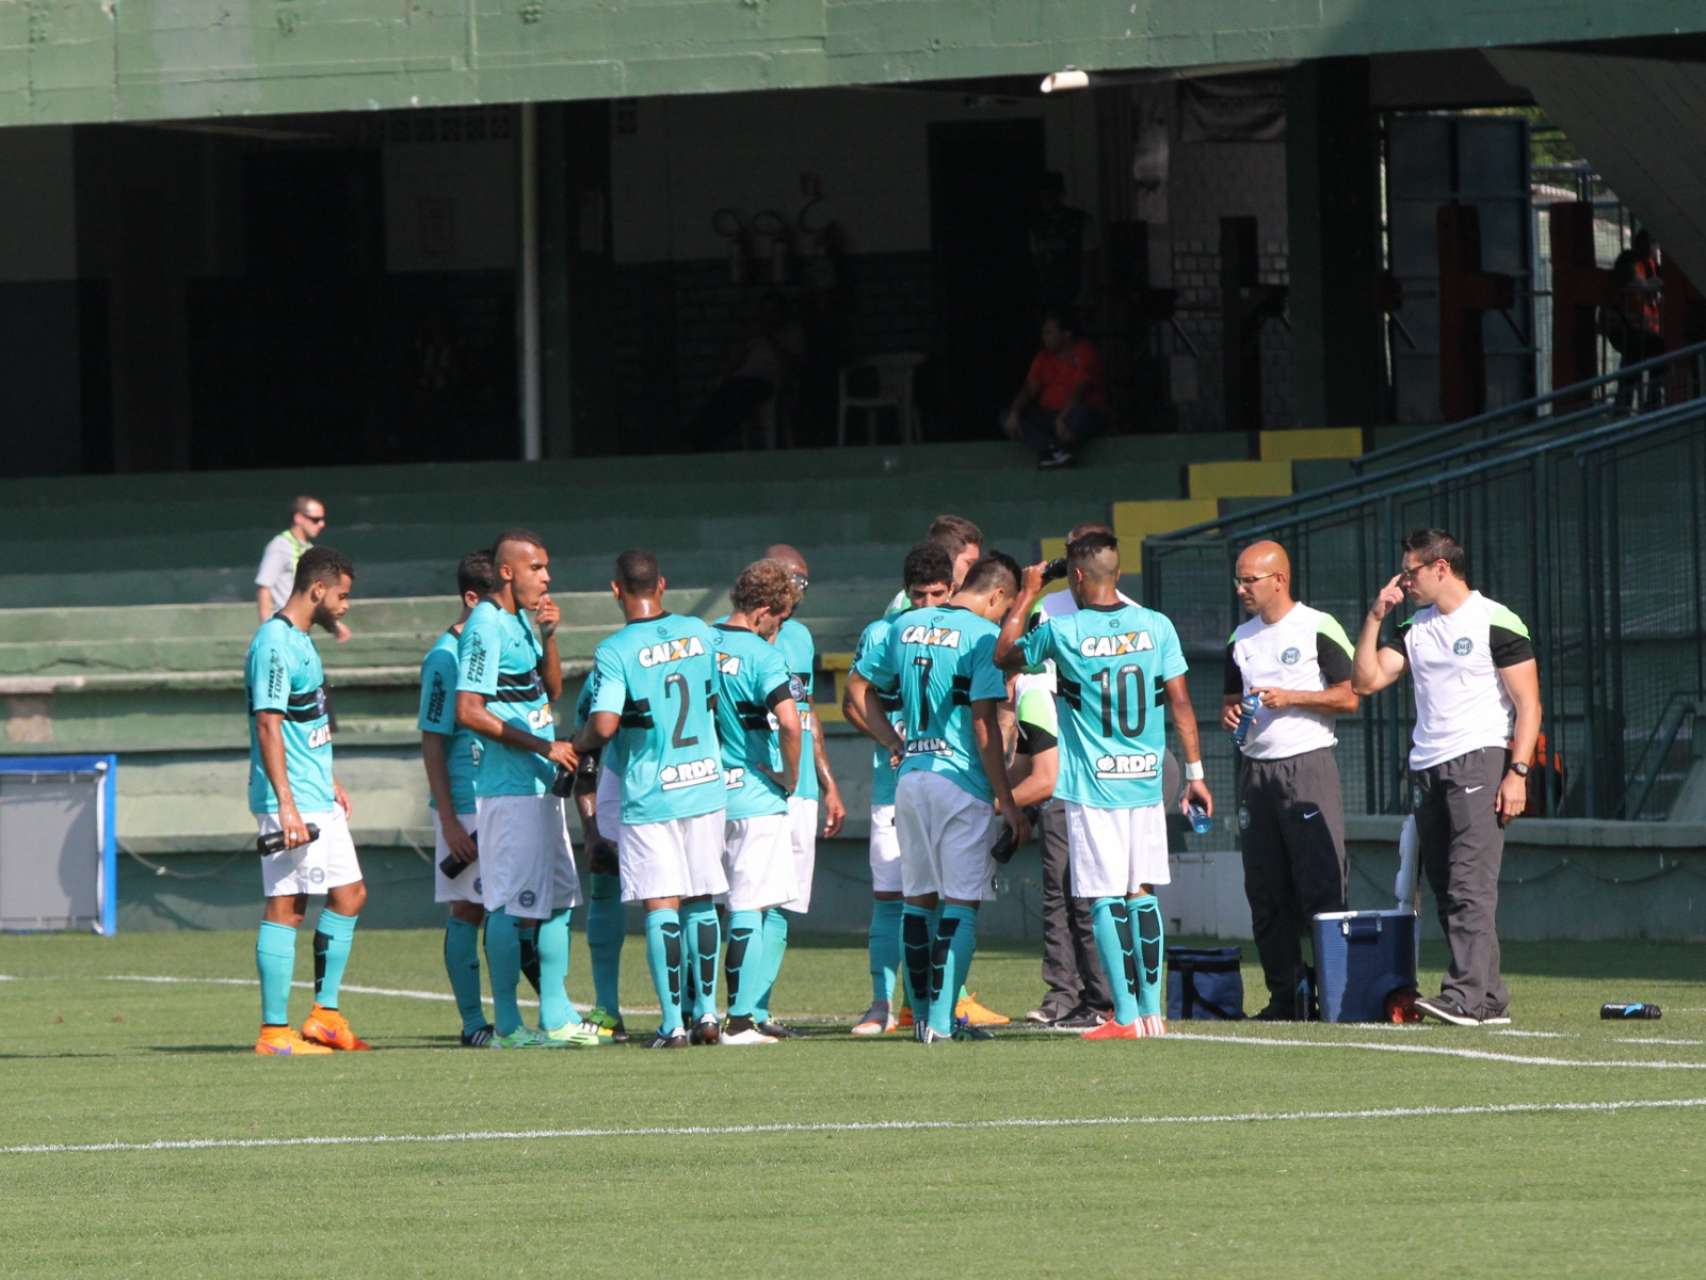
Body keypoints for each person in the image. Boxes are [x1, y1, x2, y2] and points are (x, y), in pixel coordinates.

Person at [996, 531, 1211, 1040]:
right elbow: (1180, 701)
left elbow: (1003, 655)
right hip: (1145, 779)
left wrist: (1027, 592)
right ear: (1118, 573)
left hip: (1094, 785)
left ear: (1074, 577)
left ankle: (1126, 1015)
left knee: (1103, 899)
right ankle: (1152, 1013)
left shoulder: (1064, 630)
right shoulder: (1156, 625)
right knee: (1142, 893)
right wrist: (1197, 774)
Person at [1352, 529, 1541, 1027]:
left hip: (1480, 759)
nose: (1404, 580)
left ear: (1440, 568)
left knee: (1469, 884)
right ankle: (1490, 997)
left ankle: (1464, 995)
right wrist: (1376, 616)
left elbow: (1529, 705)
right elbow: (1365, 680)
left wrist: (1517, 772)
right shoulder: (1413, 626)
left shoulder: (1495, 620)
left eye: (1410, 571)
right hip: (1428, 767)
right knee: (1444, 883)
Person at [855, 554, 1029, 1044]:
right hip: (961, 781)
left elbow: (857, 689)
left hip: (911, 777)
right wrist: (1005, 798)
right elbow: (982, 723)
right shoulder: (981, 637)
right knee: (961, 904)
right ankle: (941, 1022)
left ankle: (921, 1021)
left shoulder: (903, 625)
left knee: (917, 901)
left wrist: (892, 740)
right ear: (997, 596)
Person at [574, 549, 727, 1050]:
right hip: (705, 783)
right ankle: (706, 1014)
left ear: (617, 590)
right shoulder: (701, 632)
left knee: (661, 904)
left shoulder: (615, 650)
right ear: (662, 583)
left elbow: (604, 725)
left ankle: (672, 1025)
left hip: (650, 790)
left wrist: (575, 744)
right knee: (702, 898)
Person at [454, 530, 601, 1050]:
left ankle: (557, 1015)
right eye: (538, 567)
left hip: (541, 787)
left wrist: (550, 636)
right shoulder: (485, 627)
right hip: (508, 789)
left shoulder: (521, 621)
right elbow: (468, 710)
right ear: (509, 572)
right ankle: (510, 1025)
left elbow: (552, 690)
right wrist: (542, 747)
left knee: (559, 900)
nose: (548, 576)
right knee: (506, 905)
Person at [1222, 540, 1358, 1020]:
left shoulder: (1318, 626)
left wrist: (1292, 697)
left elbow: (1349, 696)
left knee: (1320, 884)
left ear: (1279, 579)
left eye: (1249, 580)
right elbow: (1229, 700)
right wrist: (1231, 711)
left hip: (1307, 765)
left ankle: (1336, 994)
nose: (1241, 589)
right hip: (1254, 772)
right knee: (1264, 889)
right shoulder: (1240, 638)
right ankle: (1284, 995)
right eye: (1237, 580)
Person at [246, 545, 368, 1055]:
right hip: (292, 799)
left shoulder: (303, 642)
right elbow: (268, 722)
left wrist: (332, 778)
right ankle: (274, 1032)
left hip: (318, 794)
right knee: (288, 906)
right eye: (341, 596)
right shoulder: (274, 643)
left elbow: (306, 722)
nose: (344, 605)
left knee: (350, 894)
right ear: (317, 590)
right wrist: (286, 806)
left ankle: (324, 1015)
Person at [841, 541, 955, 1035]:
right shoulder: (881, 634)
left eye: (936, 594)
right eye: (918, 595)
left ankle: (927, 1002)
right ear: (905, 594)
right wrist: (891, 739)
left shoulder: (965, 633)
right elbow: (855, 698)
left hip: (955, 782)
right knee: (891, 896)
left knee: (949, 898)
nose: (927, 605)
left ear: (952, 590)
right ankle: (881, 1005)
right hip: (895, 788)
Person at [749, 544, 846, 1038]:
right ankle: (730, 1007)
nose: (798, 590)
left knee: (785, 901)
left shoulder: (802, 638)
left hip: (800, 788)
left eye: (804, 582)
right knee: (746, 902)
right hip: (753, 785)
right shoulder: (739, 638)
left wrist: (828, 783)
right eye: (790, 579)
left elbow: (805, 718)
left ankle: (758, 1010)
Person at [711, 559, 807, 1045]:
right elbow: (790, 723)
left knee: (702, 907)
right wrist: (790, 777)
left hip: (703, 795)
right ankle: (742, 1020)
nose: (780, 629)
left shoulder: (698, 641)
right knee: (751, 906)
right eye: (781, 619)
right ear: (764, 610)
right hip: (753, 794)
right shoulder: (763, 656)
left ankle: (701, 1015)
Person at [419, 550, 499, 1047]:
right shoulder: (444, 658)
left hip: (504, 794)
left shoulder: (496, 644)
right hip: (467, 802)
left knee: (519, 908)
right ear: (472, 599)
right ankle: (472, 1022)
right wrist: (449, 821)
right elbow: (432, 738)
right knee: (470, 909)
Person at [1010, 660, 1111, 1029]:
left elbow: (1044, 780)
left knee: (1075, 899)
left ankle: (1091, 998)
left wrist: (994, 805)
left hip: (1074, 794)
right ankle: (1082, 996)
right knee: (1074, 897)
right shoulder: (1041, 686)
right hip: (1097, 789)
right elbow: (1022, 765)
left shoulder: (1032, 690)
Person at [570, 680, 630, 1042]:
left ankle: (692, 1008)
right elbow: (585, 757)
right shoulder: (604, 673)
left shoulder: (698, 650)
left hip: (686, 782)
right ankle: (607, 1007)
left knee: (687, 893)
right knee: (604, 870)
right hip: (621, 778)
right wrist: (590, 831)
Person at [1000, 311, 1108, 470]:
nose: (1044, 337)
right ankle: (1055, 450)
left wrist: (1062, 417)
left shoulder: (1085, 351)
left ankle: (1052, 450)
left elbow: (1080, 390)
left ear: (1067, 333)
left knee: (1081, 416)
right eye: (1043, 332)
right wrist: (1015, 412)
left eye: (1049, 332)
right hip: (1051, 418)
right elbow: (1030, 389)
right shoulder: (1043, 357)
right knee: (1006, 416)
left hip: (1074, 414)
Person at [690, 292, 799, 450]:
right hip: (742, 378)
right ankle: (695, 436)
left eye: (773, 310)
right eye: (765, 311)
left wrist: (770, 338)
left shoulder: (791, 332)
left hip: (768, 380)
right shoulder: (755, 334)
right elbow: (736, 360)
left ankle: (703, 438)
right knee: (723, 397)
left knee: (738, 396)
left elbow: (791, 364)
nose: (769, 315)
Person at [254, 496, 352, 643]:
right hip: (280, 631)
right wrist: (268, 632)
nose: (322, 524)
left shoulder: (309, 549)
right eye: (315, 519)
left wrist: (333, 624)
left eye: (322, 519)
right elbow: (264, 587)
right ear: (299, 518)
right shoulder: (279, 546)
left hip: (299, 632)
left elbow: (314, 595)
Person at [883, 515, 984, 620]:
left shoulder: (973, 600)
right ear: (948, 558)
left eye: (937, 594)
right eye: (969, 563)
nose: (976, 570)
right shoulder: (904, 603)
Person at [1607, 229, 1664, 410]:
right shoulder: (1627, 261)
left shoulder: (1652, 264)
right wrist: (1650, 285)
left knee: (1637, 359)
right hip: (1626, 327)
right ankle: (1643, 403)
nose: (1653, 249)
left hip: (1638, 328)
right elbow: (1635, 284)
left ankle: (1632, 404)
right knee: (1644, 354)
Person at [1028, 171, 1097, 312]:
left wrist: (1085, 293)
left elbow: (1089, 260)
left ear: (1060, 194)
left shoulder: (1080, 221)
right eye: (1044, 194)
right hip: (1047, 294)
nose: (1046, 199)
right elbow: (1036, 260)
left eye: (1050, 194)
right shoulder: (1036, 224)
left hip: (1072, 292)